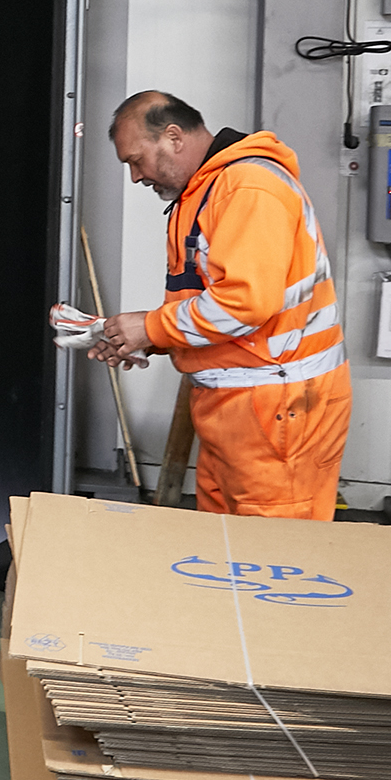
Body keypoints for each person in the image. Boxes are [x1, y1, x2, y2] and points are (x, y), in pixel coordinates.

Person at [83, 90, 350, 520]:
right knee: (226, 553)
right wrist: (146, 338)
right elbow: (211, 303)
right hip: (240, 408)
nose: (135, 177)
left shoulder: (248, 188)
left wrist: (150, 328)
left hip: (277, 409)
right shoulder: (206, 192)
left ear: (173, 136)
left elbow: (245, 303)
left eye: (135, 160)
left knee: (274, 564)